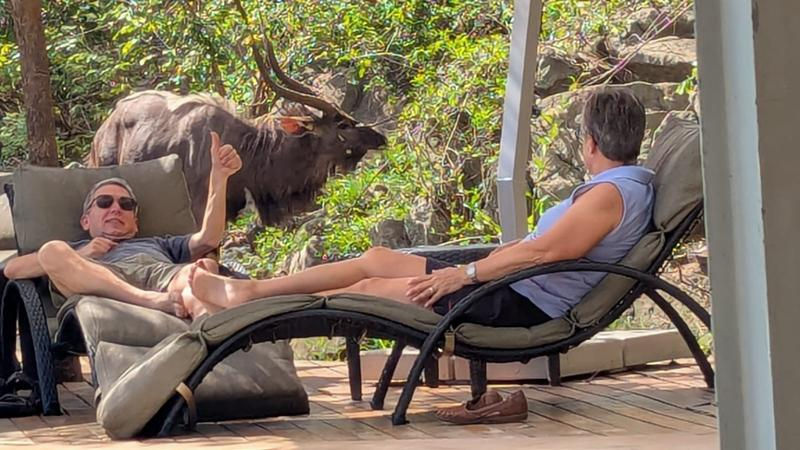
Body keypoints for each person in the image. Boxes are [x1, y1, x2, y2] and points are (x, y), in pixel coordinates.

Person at [184, 87, 654, 327]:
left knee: (370, 285)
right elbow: (540, 248)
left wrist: (464, 274)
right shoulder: (621, 188)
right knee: (375, 259)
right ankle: (253, 292)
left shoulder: (610, 195)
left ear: (589, 142)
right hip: (507, 280)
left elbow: (544, 255)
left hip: (520, 300)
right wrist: (490, 258)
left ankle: (254, 310)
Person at [2, 132, 243, 318]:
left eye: (126, 204)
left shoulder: (158, 243)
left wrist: (219, 178)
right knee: (52, 250)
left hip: (165, 287)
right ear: (86, 220)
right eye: (104, 202)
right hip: (118, 301)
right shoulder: (74, 252)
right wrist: (85, 252)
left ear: (135, 224)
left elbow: (208, 238)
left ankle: (213, 336)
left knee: (199, 272)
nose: (116, 208)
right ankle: (145, 299)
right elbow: (13, 270)